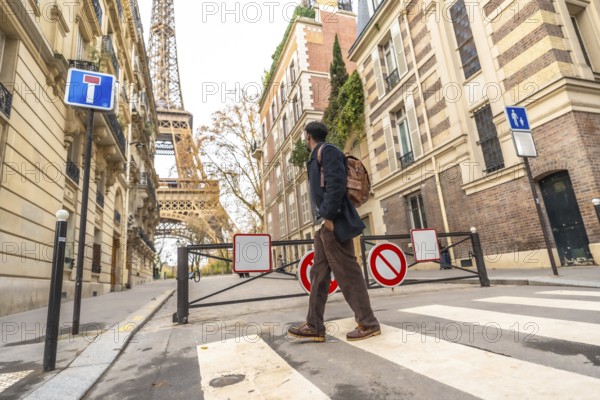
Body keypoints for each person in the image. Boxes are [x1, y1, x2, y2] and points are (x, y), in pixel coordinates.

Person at [287, 122, 380, 342]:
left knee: (348, 273)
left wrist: (328, 218)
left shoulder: (327, 152)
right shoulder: (318, 155)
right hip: (325, 224)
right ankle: (314, 325)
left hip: (334, 222)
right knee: (318, 275)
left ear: (307, 136)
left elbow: (337, 184)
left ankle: (368, 323)